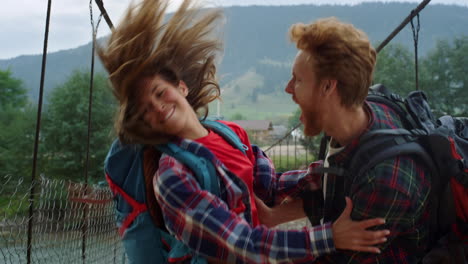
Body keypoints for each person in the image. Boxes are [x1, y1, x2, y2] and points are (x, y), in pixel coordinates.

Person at [98, 1, 389, 263]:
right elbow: (239, 244)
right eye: (145, 109)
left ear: (182, 87)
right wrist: (329, 237)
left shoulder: (230, 133)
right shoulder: (171, 175)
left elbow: (270, 187)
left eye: (160, 93)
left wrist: (337, 168)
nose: (158, 108)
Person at [283, 17, 431, 263]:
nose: (288, 88)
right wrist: (264, 183)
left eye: (298, 80)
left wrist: (254, 246)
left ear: (328, 87)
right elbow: (333, 173)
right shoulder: (361, 113)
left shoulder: (384, 180)